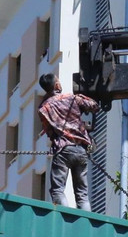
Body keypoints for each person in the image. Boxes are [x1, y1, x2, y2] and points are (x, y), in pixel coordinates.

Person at [36, 73, 99, 210]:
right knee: (82, 194)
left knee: (57, 190)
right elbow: (94, 106)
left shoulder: (43, 109)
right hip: (81, 149)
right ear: (57, 85)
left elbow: (50, 132)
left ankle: (64, 219)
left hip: (63, 151)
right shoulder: (71, 98)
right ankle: (86, 222)